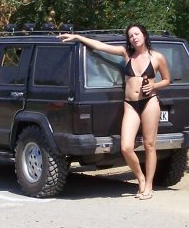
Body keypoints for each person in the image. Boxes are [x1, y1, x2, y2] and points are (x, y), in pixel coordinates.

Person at [59, 24, 170, 199]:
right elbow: (100, 46)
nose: (134, 38)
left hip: (150, 102)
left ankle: (149, 185)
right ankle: (140, 178)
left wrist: (154, 86)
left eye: (137, 34)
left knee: (149, 145)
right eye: (131, 36)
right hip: (130, 104)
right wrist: (78, 37)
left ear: (144, 35)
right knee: (126, 147)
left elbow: (167, 80)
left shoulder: (157, 57)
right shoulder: (126, 53)